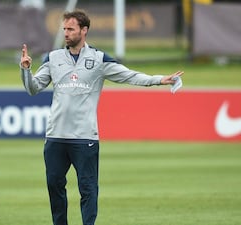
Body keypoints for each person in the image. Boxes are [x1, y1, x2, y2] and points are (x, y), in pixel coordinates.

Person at [20, 9, 183, 225]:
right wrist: (26, 70)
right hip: (55, 137)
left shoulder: (99, 59)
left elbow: (130, 76)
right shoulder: (52, 58)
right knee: (54, 187)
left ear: (84, 30)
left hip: (85, 137)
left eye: (71, 29)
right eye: (64, 29)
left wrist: (159, 79)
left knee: (88, 189)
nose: (66, 33)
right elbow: (33, 88)